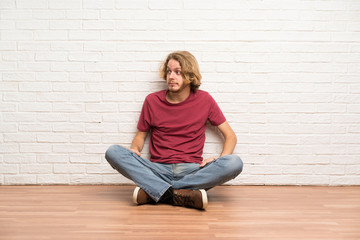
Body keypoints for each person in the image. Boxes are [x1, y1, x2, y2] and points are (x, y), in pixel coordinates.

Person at [105, 51, 243, 210]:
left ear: (190, 75)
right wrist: (135, 149)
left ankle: (157, 191)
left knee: (234, 162)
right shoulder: (152, 100)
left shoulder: (205, 99)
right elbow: (140, 136)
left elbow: (230, 136)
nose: (171, 76)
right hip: (157, 169)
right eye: (169, 71)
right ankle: (181, 194)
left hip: (192, 170)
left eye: (178, 72)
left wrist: (220, 159)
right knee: (113, 151)